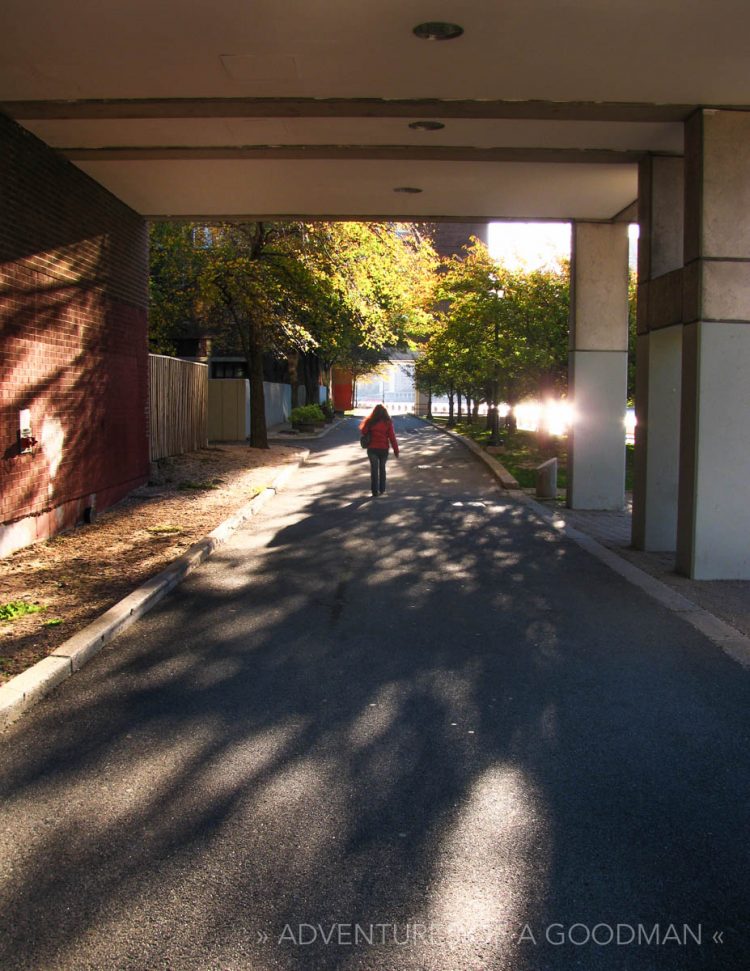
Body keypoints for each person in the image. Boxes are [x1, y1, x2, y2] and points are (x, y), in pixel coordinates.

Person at [359, 405, 399, 497]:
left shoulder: (370, 421)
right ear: (385, 412)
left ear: (374, 412)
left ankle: (374, 491)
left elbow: (363, 432)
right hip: (383, 449)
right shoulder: (388, 422)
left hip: (372, 449)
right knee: (382, 468)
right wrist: (396, 450)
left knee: (374, 469)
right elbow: (392, 437)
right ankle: (382, 489)